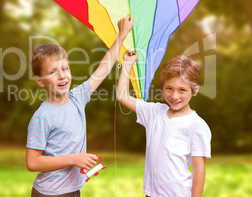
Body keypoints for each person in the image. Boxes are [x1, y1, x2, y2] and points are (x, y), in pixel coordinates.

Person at [26, 15, 134, 196]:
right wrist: (74, 159)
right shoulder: (42, 116)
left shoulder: (77, 97)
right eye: (53, 72)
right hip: (50, 193)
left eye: (65, 69)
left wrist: (121, 35)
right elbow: (33, 162)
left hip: (73, 190)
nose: (62, 76)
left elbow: (103, 68)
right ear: (40, 81)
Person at [116, 52, 211, 197]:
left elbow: (199, 170)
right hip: (151, 193)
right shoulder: (154, 112)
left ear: (195, 90)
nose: (174, 96)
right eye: (169, 89)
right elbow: (122, 96)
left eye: (182, 90)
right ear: (163, 87)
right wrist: (128, 63)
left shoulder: (197, 126)